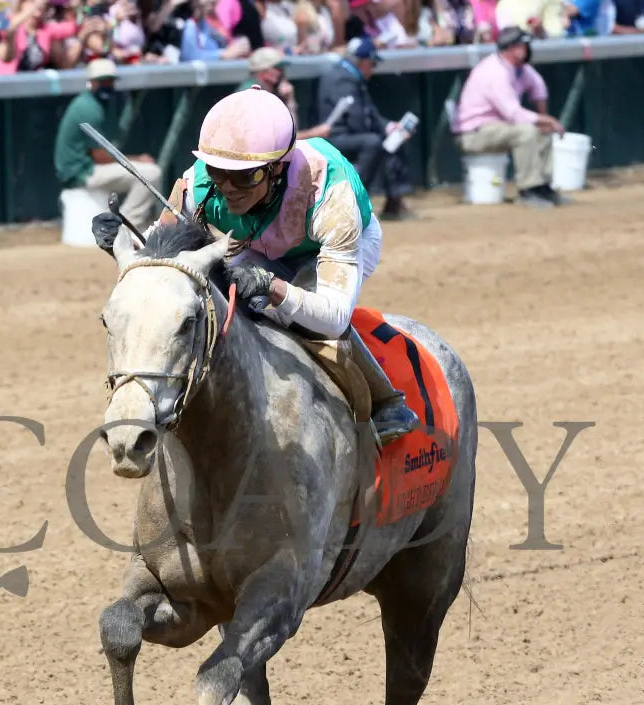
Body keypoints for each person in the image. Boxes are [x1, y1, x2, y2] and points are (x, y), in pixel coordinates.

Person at [92, 87, 419, 444]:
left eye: (246, 177)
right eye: (219, 172)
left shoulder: (330, 195)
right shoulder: (198, 183)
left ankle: (387, 400)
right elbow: (161, 258)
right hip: (259, 245)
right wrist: (121, 240)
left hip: (334, 245)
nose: (229, 188)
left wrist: (272, 286)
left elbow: (334, 317)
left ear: (277, 168)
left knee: (299, 317)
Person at [454, 26, 566, 208]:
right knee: (526, 132)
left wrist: (544, 119)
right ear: (513, 49)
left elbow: (538, 87)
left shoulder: (519, 67)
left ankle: (543, 187)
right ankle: (528, 190)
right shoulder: (495, 71)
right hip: (472, 134)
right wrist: (548, 119)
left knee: (541, 130)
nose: (528, 50)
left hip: (495, 128)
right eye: (524, 46)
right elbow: (513, 114)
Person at [53, 58, 163, 230]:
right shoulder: (87, 107)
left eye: (109, 80)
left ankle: (123, 224)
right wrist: (138, 159)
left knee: (147, 172)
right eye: (102, 80)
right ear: (91, 82)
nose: (107, 84)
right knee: (151, 173)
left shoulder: (94, 103)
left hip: (82, 168)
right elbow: (100, 156)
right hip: (81, 172)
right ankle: (125, 227)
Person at [317, 37, 415, 221]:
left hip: (348, 136)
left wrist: (389, 127)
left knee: (393, 139)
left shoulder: (350, 75)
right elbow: (356, 120)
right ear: (363, 61)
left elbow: (369, 112)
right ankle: (353, 199)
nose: (374, 68)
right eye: (373, 63)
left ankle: (393, 203)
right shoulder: (342, 78)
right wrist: (383, 132)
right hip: (335, 138)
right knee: (373, 142)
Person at [237, 46, 332, 141]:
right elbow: (280, 141)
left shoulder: (269, 92)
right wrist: (314, 134)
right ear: (264, 71)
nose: (282, 72)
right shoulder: (254, 94)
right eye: (278, 68)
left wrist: (289, 99)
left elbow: (290, 133)